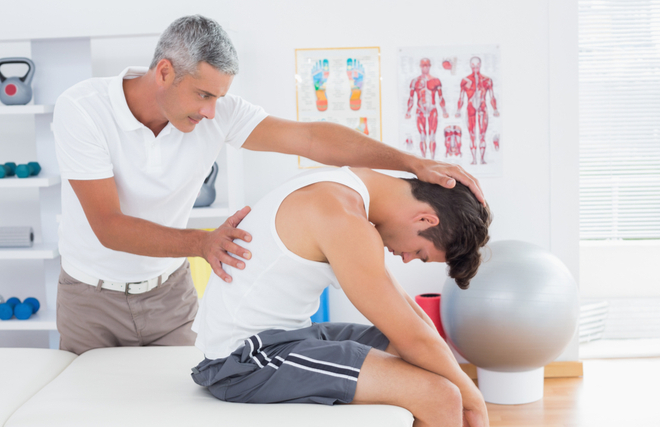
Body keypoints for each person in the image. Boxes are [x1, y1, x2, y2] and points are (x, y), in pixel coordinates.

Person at [52, 15, 486, 356]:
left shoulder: (216, 112)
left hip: (170, 296)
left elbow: (312, 138)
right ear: (164, 71)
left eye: (220, 97)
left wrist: (411, 161)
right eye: (204, 94)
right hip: (91, 300)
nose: (211, 112)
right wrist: (204, 244)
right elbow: (108, 225)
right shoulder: (84, 110)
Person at [191, 166, 492, 427]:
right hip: (243, 362)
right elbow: (413, 337)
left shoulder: (346, 187)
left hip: (287, 338)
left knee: (419, 361)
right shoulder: (342, 218)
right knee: (440, 396)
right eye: (420, 253)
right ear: (426, 220)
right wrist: (474, 399)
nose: (406, 258)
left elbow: (411, 320)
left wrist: (463, 386)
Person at [455, 56, 499, 165]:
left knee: (482, 135)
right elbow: (461, 97)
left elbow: (492, 96)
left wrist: (495, 109)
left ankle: (482, 159)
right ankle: (474, 160)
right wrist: (458, 110)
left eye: (477, 66)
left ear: (480, 65)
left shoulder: (487, 80)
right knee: (472, 135)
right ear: (470, 66)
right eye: (473, 66)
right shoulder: (465, 81)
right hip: (470, 109)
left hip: (482, 109)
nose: (475, 68)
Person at [405, 58, 448, 159]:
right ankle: (424, 159)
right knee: (422, 136)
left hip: (432, 110)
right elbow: (411, 98)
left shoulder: (435, 81)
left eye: (427, 65)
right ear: (420, 66)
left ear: (430, 66)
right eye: (423, 65)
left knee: (432, 136)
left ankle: (432, 159)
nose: (425, 67)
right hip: (420, 110)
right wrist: (408, 111)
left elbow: (441, 97)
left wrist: (444, 111)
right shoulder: (415, 81)